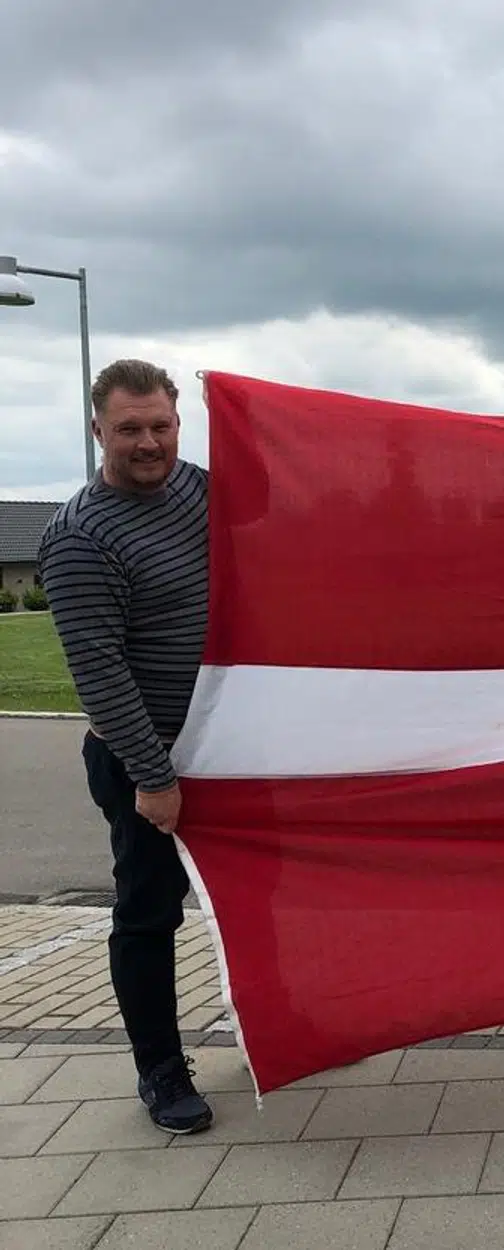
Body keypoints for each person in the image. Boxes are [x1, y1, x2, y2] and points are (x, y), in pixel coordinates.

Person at [36, 358, 214, 1133]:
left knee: (254, 897)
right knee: (149, 913)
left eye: (161, 426)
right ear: (97, 430)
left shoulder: (199, 489)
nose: (148, 443)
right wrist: (154, 777)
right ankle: (161, 1072)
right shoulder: (79, 538)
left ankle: (269, 1028)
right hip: (146, 758)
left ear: (178, 422)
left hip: (226, 742)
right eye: (129, 429)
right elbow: (99, 672)